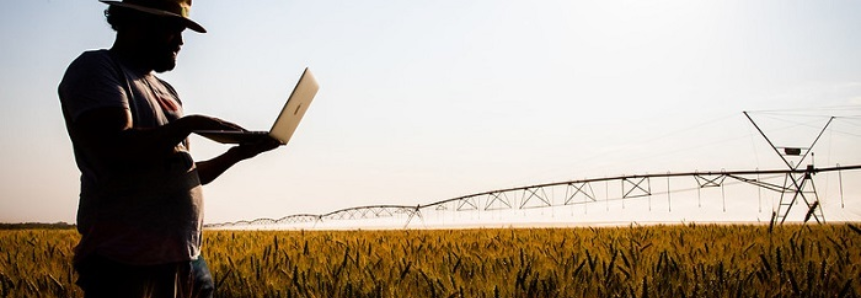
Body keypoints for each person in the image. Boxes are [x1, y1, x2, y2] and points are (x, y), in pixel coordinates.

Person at [58, 0, 280, 297]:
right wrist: (189, 124)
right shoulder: (97, 68)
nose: (180, 41)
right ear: (136, 23)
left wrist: (238, 153)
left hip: (187, 257)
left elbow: (182, 173)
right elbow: (115, 147)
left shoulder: (166, 90)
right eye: (172, 29)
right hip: (128, 260)